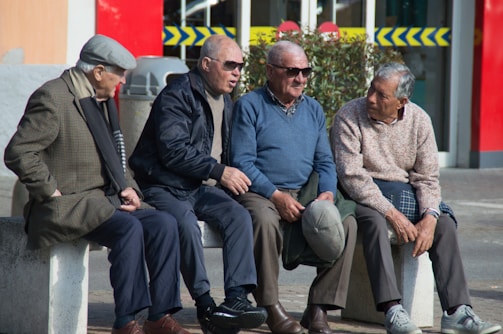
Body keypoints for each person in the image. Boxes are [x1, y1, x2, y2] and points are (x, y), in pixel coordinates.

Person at [4, 34, 188, 334]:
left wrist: (128, 186)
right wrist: (49, 189)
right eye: (120, 73)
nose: (123, 82)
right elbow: (18, 152)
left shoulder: (100, 100)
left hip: (104, 201)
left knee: (164, 223)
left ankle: (159, 316)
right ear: (98, 71)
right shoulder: (53, 97)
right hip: (68, 205)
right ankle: (126, 321)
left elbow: (117, 157)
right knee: (129, 229)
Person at [330, 62, 502, 334]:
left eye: (381, 95)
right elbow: (352, 177)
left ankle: (457, 312)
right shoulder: (349, 115)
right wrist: (392, 214)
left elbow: (427, 177)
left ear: (402, 102)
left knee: (444, 224)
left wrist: (430, 217)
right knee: (375, 222)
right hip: (361, 196)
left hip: (404, 193)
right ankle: (393, 310)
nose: (371, 98)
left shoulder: (419, 120)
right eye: (371, 89)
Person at [129, 34, 267, 334]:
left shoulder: (226, 100)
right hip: (162, 183)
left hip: (198, 186)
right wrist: (219, 171)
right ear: (206, 64)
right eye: (230, 65)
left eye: (240, 66)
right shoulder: (177, 94)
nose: (237, 73)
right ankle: (205, 306)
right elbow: (173, 151)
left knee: (239, 216)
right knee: (185, 225)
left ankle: (236, 301)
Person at [229, 40, 357, 334]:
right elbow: (243, 162)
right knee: (262, 220)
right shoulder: (249, 105)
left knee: (348, 222)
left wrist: (325, 194)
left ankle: (318, 308)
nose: (301, 78)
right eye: (292, 71)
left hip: (306, 190)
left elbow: (325, 162)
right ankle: (271, 307)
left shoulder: (313, 108)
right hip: (261, 190)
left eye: (306, 71)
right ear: (271, 71)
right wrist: (276, 195)